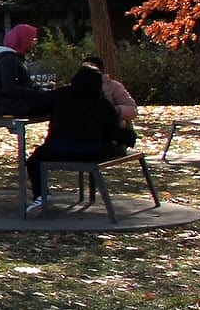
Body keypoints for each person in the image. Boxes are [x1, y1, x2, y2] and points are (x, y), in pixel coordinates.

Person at [26, 63, 131, 217]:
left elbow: (35, 107)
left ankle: (41, 195)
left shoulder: (60, 95)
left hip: (58, 149)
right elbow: (111, 133)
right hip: (92, 152)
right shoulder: (104, 104)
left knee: (34, 161)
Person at [0, 23, 53, 118]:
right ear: (23, 40)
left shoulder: (13, 59)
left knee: (56, 101)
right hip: (11, 106)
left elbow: (21, 85)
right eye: (32, 39)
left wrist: (41, 90)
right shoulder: (8, 60)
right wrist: (37, 93)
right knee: (59, 103)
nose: (33, 43)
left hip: (14, 104)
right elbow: (10, 89)